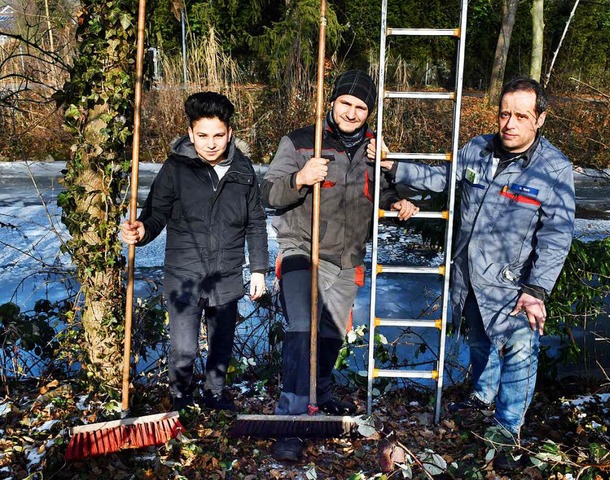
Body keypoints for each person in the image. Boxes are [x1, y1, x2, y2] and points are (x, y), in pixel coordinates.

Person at [371, 77, 575, 470]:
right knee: (480, 342)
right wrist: (395, 167)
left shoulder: (553, 169)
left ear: (541, 119)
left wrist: (536, 289)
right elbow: (443, 179)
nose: (509, 124)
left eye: (521, 116)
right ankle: (482, 398)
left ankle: (506, 427)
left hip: (515, 283)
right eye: (504, 114)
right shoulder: (477, 150)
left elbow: (556, 235)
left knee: (518, 350)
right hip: (469, 274)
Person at [261, 69, 419, 461]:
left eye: (360, 107)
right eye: (345, 103)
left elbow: (379, 192)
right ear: (332, 101)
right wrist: (300, 177)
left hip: (347, 258)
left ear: (369, 112)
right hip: (303, 249)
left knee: (331, 335)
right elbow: (267, 192)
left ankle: (322, 395)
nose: (351, 112)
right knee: (302, 329)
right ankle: (291, 421)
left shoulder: (371, 149)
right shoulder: (300, 142)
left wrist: (398, 200)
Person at [121, 91, 269, 412]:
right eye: (202, 135)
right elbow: (156, 213)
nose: (210, 143)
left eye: (218, 135)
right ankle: (181, 397)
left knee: (220, 346)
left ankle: (214, 394)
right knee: (184, 349)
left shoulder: (243, 172)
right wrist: (142, 230)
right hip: (183, 276)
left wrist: (258, 269)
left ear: (229, 133)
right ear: (190, 133)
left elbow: (255, 223)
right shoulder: (175, 169)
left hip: (226, 276)